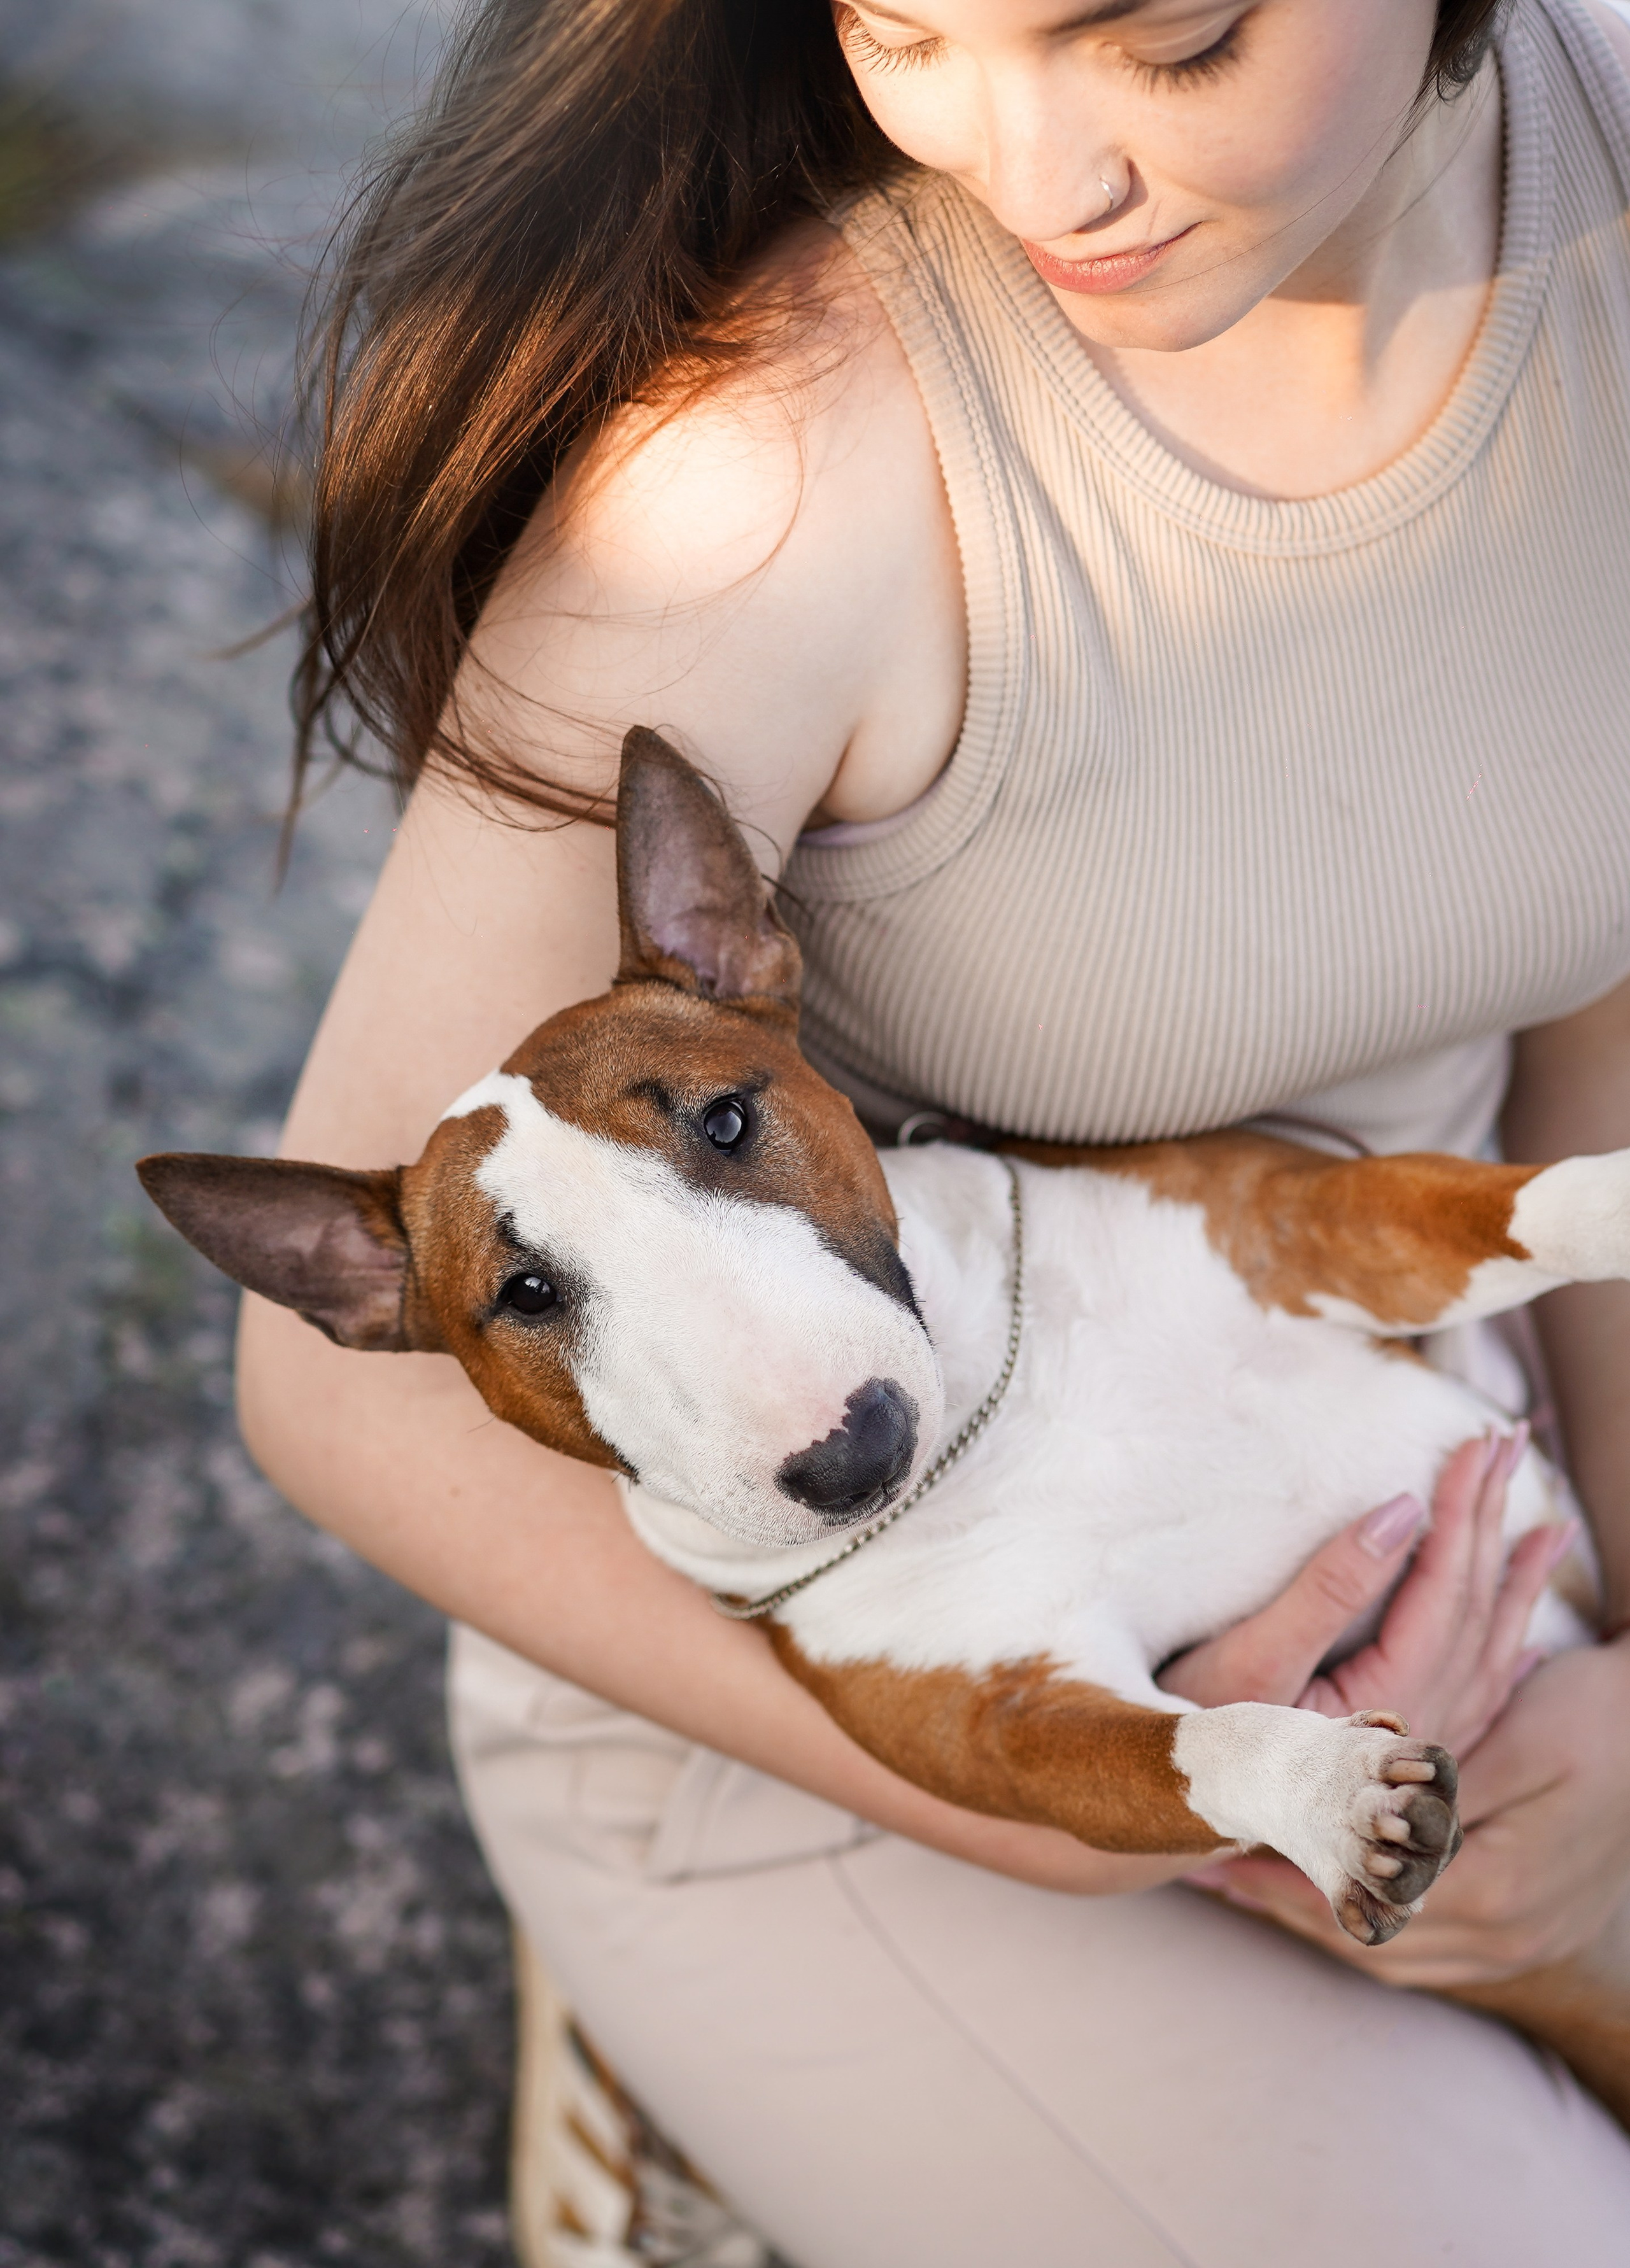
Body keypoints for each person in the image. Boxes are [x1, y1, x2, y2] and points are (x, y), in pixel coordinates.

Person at [241, 1, 1630, 2258]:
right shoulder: (759, 480)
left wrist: (1623, 1708)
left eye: (1172, 36)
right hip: (892, 1695)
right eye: (903, 24)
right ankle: (691, 2076)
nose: (1039, 174)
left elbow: (1606, 1000)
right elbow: (347, 1391)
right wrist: (1092, 1798)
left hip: (1438, 1405)